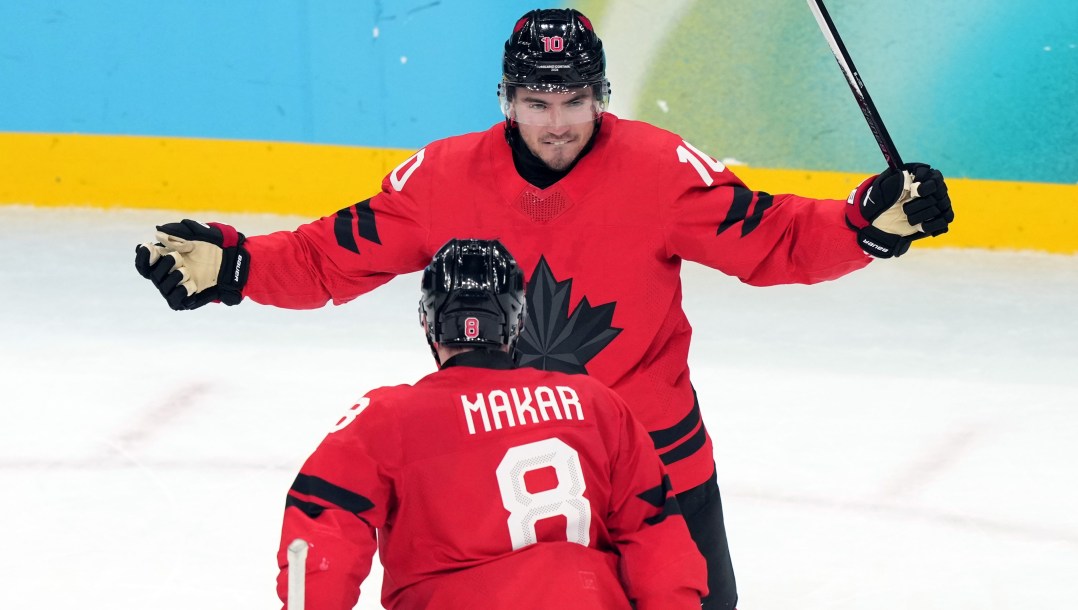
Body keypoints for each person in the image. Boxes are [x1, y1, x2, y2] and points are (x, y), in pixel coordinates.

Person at [137, 9, 954, 609]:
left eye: (572, 102)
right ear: (506, 99)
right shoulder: (443, 182)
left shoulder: (660, 170)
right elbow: (328, 257)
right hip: (497, 499)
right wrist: (236, 264)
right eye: (536, 103)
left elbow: (769, 237)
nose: (556, 124)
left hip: (656, 477)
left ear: (600, 96)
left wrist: (863, 225)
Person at [275, 238, 707, 609]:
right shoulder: (595, 404)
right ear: (516, 323)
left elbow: (323, 528)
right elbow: (657, 538)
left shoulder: (387, 417)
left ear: (428, 322)